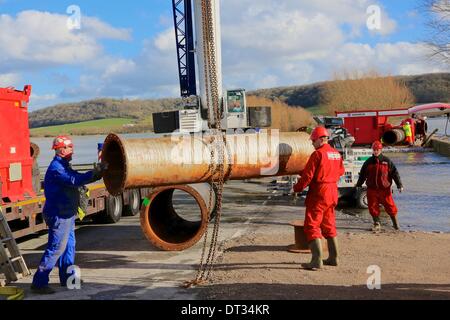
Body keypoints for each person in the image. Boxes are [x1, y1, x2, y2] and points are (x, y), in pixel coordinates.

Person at [30, 135, 106, 294]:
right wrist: (94, 174)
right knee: (56, 248)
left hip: (67, 214)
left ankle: (68, 277)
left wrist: (94, 174)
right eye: (69, 147)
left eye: (72, 146)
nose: (72, 149)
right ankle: (39, 282)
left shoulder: (64, 165)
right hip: (59, 215)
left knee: (69, 246)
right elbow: (73, 180)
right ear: (60, 149)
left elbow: (76, 176)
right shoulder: (57, 168)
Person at [293, 126, 345, 270]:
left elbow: (307, 177)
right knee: (329, 224)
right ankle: (334, 258)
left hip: (320, 192)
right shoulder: (336, 153)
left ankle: (316, 260)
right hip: (333, 190)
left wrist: (296, 188)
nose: (311, 144)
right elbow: (341, 171)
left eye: (313, 141)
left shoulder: (317, 154)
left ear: (320, 140)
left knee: (312, 225)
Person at [355, 140, 403, 232]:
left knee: (390, 206)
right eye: (374, 150)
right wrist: (359, 185)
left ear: (381, 150)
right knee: (372, 207)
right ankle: (377, 224)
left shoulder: (387, 161)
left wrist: (399, 185)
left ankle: (395, 224)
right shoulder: (368, 162)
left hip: (385, 190)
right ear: (372, 150)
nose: (376, 151)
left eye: (377, 150)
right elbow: (362, 175)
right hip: (372, 189)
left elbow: (395, 173)